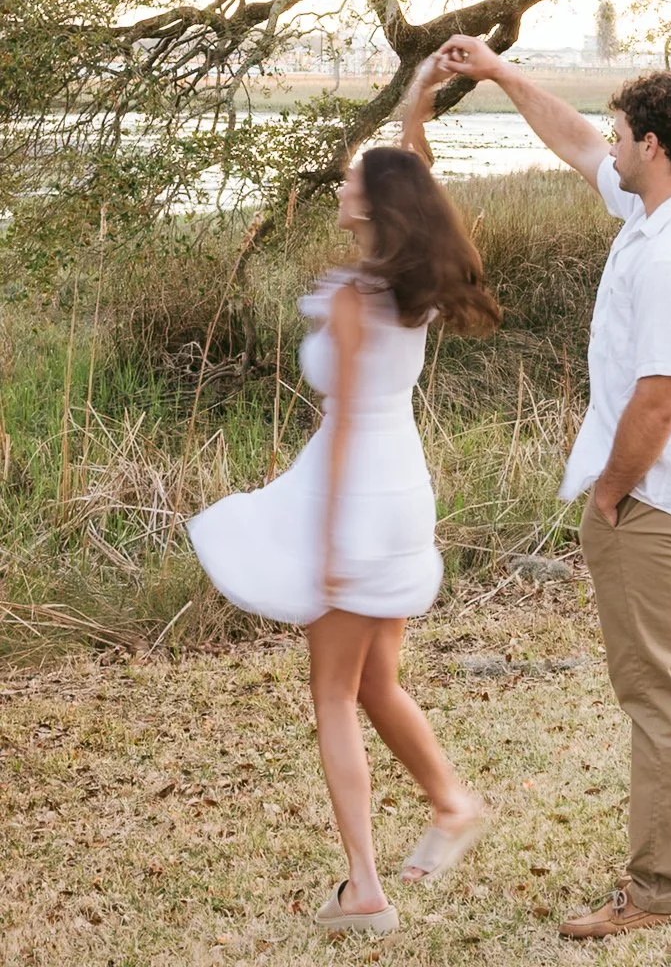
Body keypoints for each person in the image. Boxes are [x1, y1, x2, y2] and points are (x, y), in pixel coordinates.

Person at [437, 36, 671, 939]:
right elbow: (575, 141)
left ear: (651, 146)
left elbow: (660, 397)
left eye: (622, 134)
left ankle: (657, 890)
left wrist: (610, 492)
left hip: (654, 502)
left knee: (658, 692)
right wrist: (498, 74)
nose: (607, 146)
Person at [188, 59, 500, 936]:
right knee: (374, 684)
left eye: (355, 178)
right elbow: (417, 176)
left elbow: (350, 429)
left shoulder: (362, 297)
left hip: (359, 495)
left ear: (375, 203)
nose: (343, 183)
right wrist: (413, 111)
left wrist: (326, 549)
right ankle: (449, 802)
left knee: (333, 693)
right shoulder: (414, 281)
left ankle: (364, 887)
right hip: (405, 493)